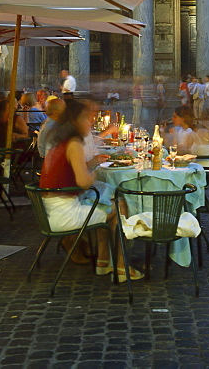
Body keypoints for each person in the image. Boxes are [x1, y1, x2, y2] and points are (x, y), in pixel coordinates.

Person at [38, 96, 142, 281]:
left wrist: (92, 164)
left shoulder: (60, 140)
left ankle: (103, 260)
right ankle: (121, 266)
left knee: (108, 203)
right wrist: (96, 171)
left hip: (51, 209)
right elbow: (84, 182)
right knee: (120, 207)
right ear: (75, 120)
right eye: (87, 117)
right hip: (65, 214)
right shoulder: (74, 144)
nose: (91, 120)